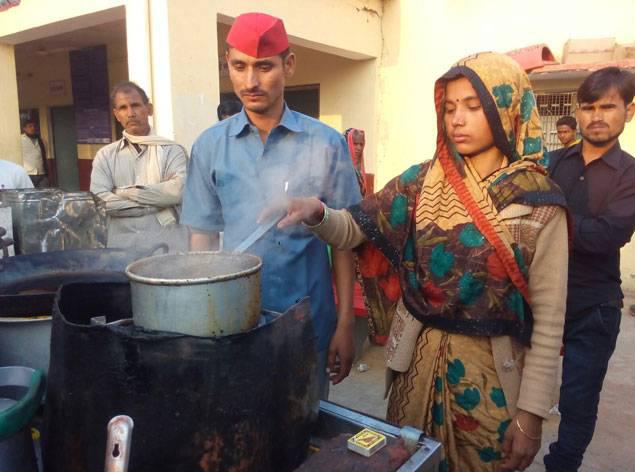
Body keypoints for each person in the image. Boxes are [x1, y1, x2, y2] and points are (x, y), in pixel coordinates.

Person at [275, 52, 569, 472]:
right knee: (409, 460)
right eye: (450, 108)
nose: (457, 120)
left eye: (472, 106)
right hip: (417, 366)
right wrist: (317, 212)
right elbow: (354, 229)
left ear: (506, 108)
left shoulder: (538, 201)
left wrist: (531, 416)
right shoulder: (420, 183)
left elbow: (550, 319)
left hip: (491, 381)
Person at [181, 12, 362, 398]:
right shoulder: (210, 146)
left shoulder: (326, 143)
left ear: (288, 65)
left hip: (309, 322)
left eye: (264, 67)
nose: (250, 81)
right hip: (234, 323)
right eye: (239, 66)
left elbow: (345, 240)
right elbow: (203, 241)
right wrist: (204, 319)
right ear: (227, 66)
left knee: (305, 427)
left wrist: (345, 323)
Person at [543, 67, 635, 471]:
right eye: (587, 107)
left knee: (577, 398)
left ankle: (561, 465)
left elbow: (607, 235)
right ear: (577, 112)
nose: (596, 115)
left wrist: (546, 222)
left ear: (629, 111)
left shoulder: (631, 174)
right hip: (540, 297)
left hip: (592, 307)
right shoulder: (551, 162)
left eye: (608, 106)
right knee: (515, 384)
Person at [90, 81, 188, 251]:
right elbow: (100, 201)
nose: (130, 113)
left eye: (135, 105)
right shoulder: (105, 156)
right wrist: (154, 203)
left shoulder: (172, 151)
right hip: (121, 249)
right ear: (116, 114)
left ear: (148, 109)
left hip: (166, 247)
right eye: (123, 108)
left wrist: (123, 192)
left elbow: (177, 192)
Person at [20, 118, 49, 188]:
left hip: (41, 173)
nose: (33, 128)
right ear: (24, 128)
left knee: (44, 194)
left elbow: (45, 155)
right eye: (30, 126)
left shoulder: (41, 140)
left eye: (34, 126)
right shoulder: (20, 140)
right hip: (28, 174)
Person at [344, 128, 368, 196]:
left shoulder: (359, 167)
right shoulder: (341, 167)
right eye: (355, 144)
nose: (359, 148)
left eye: (361, 144)